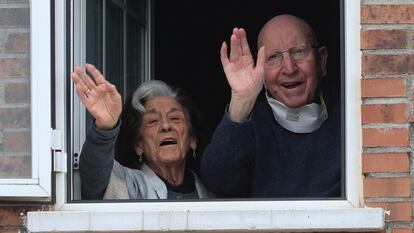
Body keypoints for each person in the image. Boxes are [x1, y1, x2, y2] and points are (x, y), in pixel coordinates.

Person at [200, 14, 341, 198]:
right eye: (273, 57)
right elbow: (217, 182)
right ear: (262, 72)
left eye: (298, 51)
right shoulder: (252, 121)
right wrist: (241, 101)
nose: (289, 68)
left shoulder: (351, 111)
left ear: (321, 60)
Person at [71, 64, 211, 199]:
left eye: (175, 118)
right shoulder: (126, 185)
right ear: (139, 145)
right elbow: (94, 175)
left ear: (193, 139)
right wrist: (105, 127)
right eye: (152, 121)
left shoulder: (213, 193)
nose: (165, 126)